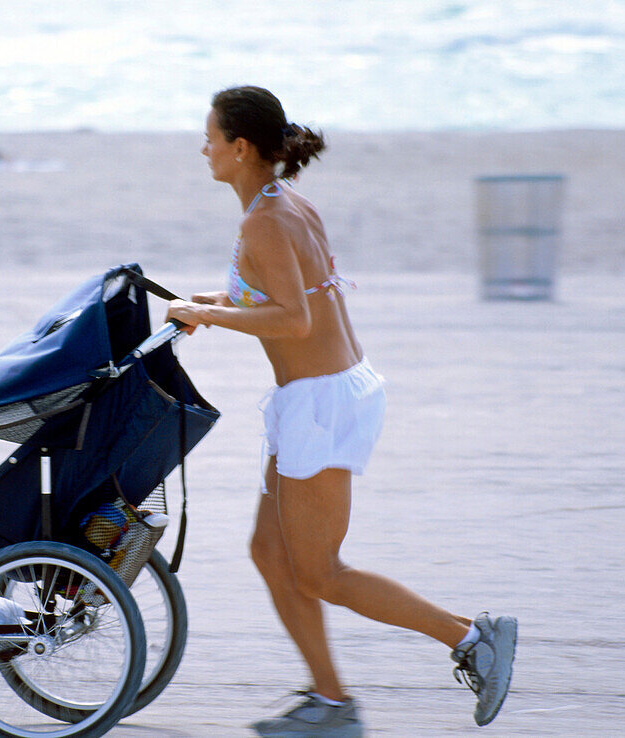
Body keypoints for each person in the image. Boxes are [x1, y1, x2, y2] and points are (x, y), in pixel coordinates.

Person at [164, 86, 517, 737]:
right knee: (271, 553)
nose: (203, 147)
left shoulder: (262, 221)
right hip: (321, 394)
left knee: (321, 572)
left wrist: (211, 313)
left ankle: (471, 638)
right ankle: (331, 701)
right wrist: (216, 300)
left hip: (321, 404)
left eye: (209, 135)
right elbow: (293, 294)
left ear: (240, 149)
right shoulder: (282, 203)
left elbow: (294, 319)